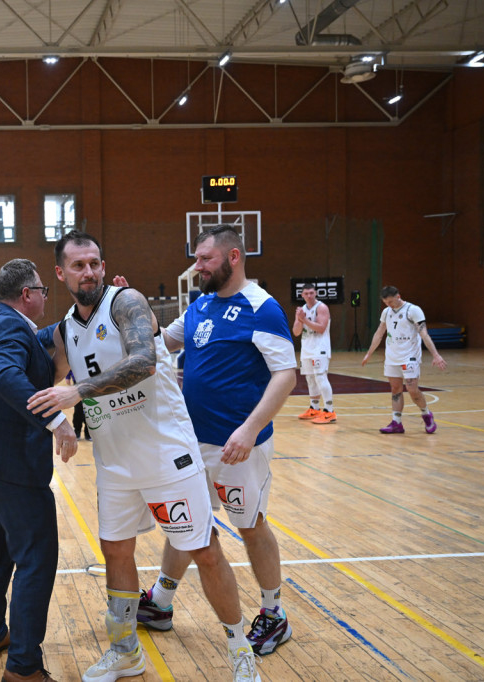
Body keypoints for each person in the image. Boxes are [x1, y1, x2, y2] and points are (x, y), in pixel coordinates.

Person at [28, 231, 262, 682]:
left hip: (165, 456)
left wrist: (77, 391)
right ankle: (125, 650)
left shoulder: (127, 301)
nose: (90, 271)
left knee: (203, 551)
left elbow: (143, 362)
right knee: (116, 551)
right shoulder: (65, 330)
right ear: (61, 273)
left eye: (95, 262)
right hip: (114, 463)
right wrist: (58, 423)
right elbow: (47, 379)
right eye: (79, 265)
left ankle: (240, 647)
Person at [155, 225, 297, 658]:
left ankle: (274, 615)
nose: (197, 267)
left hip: (239, 446)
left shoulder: (262, 308)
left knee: (250, 527)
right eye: (196, 258)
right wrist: (132, 310)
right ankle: (160, 603)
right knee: (187, 522)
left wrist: (250, 429)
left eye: (205, 259)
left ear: (233, 256)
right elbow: (162, 341)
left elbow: (286, 375)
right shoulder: (200, 305)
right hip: (192, 442)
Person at [0, 258, 77, 682]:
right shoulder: (8, 327)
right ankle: (24, 667)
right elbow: (6, 376)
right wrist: (58, 421)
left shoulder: (7, 323)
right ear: (27, 294)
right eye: (42, 289)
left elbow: (43, 342)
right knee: (37, 558)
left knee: (3, 547)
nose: (46, 295)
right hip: (12, 463)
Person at [361, 286, 447, 434]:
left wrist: (436, 355)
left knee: (412, 390)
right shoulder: (386, 312)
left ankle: (426, 414)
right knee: (395, 389)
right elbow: (379, 333)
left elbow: (424, 334)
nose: (389, 305)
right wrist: (369, 353)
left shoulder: (413, 310)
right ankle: (397, 422)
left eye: (391, 301)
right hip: (392, 356)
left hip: (410, 356)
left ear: (398, 296)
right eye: (386, 302)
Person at [292, 283, 335, 424]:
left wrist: (304, 319)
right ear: (302, 295)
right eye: (306, 293)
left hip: (320, 349)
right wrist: (299, 319)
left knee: (320, 377)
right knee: (310, 378)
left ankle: (329, 411)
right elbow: (296, 332)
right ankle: (314, 408)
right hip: (307, 349)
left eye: (311, 293)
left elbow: (321, 328)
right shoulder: (302, 310)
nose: (309, 296)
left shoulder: (321, 307)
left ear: (315, 293)